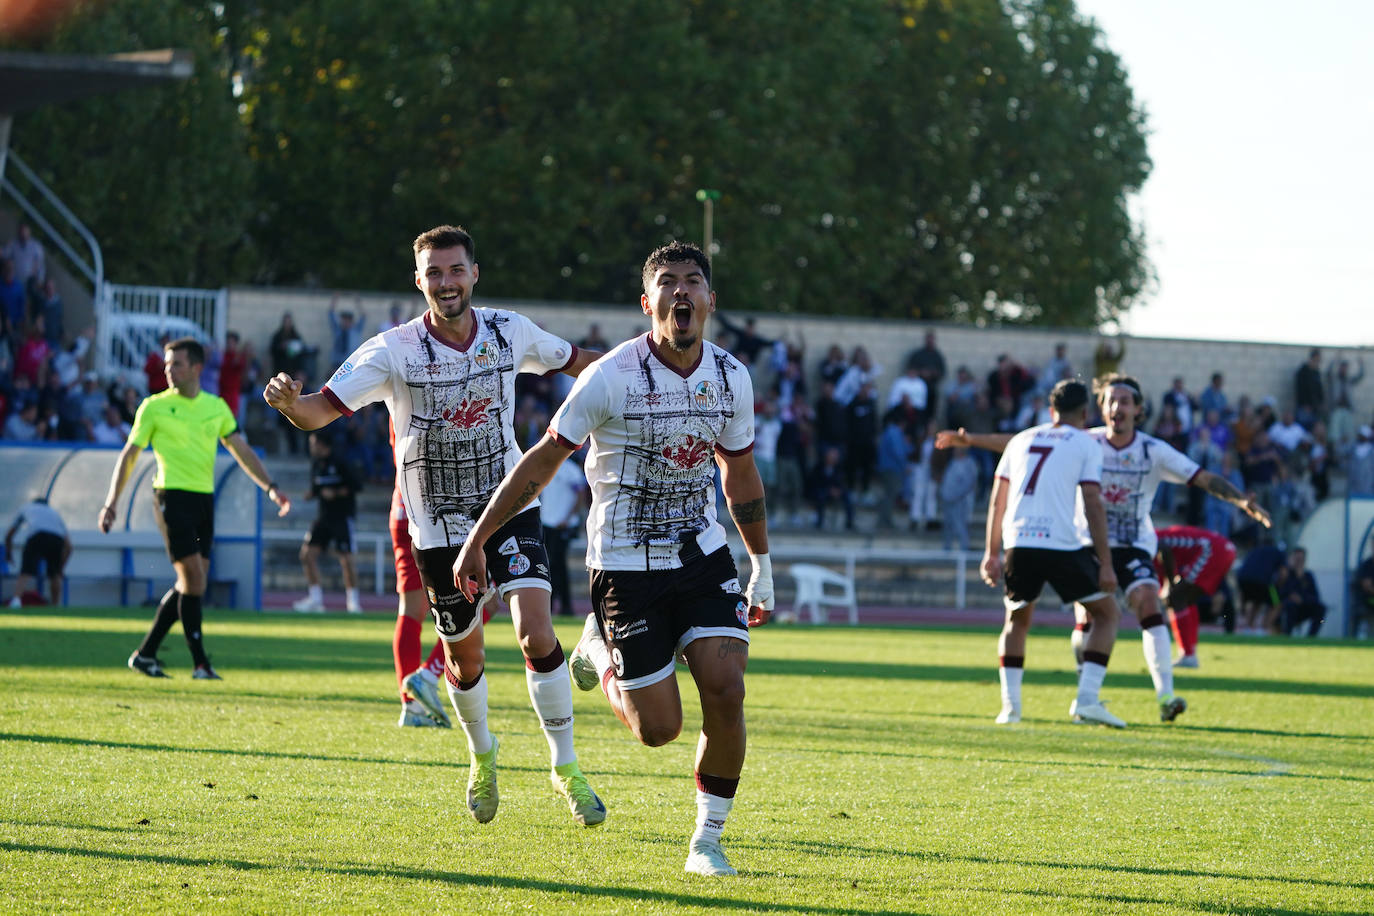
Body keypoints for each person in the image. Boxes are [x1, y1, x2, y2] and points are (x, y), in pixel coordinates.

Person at [263, 224, 605, 828]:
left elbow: (582, 364)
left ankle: (567, 768)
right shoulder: (391, 350)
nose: (446, 282)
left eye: (455, 270)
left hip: (508, 506)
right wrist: (290, 402)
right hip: (436, 526)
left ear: (475, 273)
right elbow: (319, 410)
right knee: (464, 657)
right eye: (434, 273)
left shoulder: (509, 330)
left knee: (534, 632)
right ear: (418, 281)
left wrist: (645, 376)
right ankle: (483, 754)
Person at [453, 240, 773, 877]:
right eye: (668, 283)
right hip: (623, 565)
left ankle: (707, 842)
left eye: (693, 282)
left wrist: (760, 562)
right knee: (659, 730)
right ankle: (598, 651)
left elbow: (740, 474)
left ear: (711, 299)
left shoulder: (732, 376)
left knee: (727, 690)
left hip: (703, 557)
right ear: (647, 300)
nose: (681, 293)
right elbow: (542, 462)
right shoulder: (610, 376)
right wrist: (478, 539)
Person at [943, 376, 1270, 716]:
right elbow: (1025, 443)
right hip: (1085, 543)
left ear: (1138, 409)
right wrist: (971, 439)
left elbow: (1202, 477)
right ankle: (1085, 695)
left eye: (1125, 401)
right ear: (1099, 408)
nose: (1117, 407)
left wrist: (1241, 502)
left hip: (1131, 545)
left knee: (1147, 602)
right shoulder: (1087, 441)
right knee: (1089, 616)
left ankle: (1166, 696)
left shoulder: (1152, 450)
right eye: (1111, 401)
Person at [100, 337, 291, 679]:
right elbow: (129, 455)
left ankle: (145, 654)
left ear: (197, 368)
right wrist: (111, 503)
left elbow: (241, 450)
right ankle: (200, 663)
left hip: (204, 500)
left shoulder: (215, 407)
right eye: (166, 365)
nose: (168, 370)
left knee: (192, 584)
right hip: (170, 497)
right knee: (194, 579)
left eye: (176, 364)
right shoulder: (153, 406)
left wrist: (271, 487)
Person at [979, 379, 1124, 727]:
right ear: (1086, 413)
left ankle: (1010, 709)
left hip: (1019, 541)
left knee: (1016, 622)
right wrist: (1105, 562)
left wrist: (991, 552)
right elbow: (1092, 501)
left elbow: (998, 499)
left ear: (1050, 411)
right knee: (1107, 615)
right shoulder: (1086, 443)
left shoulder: (1021, 439)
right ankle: (1087, 699)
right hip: (1060, 543)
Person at [292, 432, 363, 613]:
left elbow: (357, 486)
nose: (311, 447)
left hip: (341, 517)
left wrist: (336, 493)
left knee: (346, 559)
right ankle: (315, 599)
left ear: (323, 444)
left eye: (313, 443)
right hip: (323, 518)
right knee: (306, 554)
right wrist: (310, 494)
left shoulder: (341, 462)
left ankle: (353, 602)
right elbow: (317, 488)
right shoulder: (316, 465)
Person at [1154, 525, 1239, 665]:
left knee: (1177, 597)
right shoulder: (1158, 536)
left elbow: (1163, 550)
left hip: (1212, 549)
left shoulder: (1150, 540)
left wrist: (1169, 585)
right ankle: (1190, 651)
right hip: (1223, 548)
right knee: (1187, 599)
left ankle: (1188, 655)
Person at [540, 451, 588, 617]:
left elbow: (580, 495)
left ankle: (565, 606)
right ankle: (552, 605)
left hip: (562, 525)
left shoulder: (571, 470)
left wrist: (569, 518)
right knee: (550, 565)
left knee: (558, 565)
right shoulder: (546, 467)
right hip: (547, 522)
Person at [5, 495, 71, 606]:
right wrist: (60, 568)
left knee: (26, 571)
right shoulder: (54, 513)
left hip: (37, 536)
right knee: (55, 574)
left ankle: (16, 601)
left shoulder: (26, 507)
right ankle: (56, 606)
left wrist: (9, 553)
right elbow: (69, 546)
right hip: (57, 539)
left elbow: (9, 534)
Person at [1235, 540, 1286, 635]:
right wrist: (1279, 586)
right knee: (1277, 604)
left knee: (1256, 602)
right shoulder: (1278, 552)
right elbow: (1283, 574)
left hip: (1243, 579)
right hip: (1264, 582)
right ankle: (1264, 629)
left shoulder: (1255, 550)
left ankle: (1248, 628)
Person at [1274, 546, 1324, 636]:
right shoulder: (1286, 574)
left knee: (1321, 608)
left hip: (1305, 606)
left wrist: (1302, 599)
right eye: (1297, 559)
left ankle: (1311, 637)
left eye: (1301, 559)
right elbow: (1279, 592)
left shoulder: (1308, 576)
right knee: (1290, 606)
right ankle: (1287, 635)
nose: (1299, 562)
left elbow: (1315, 596)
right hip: (1288, 607)